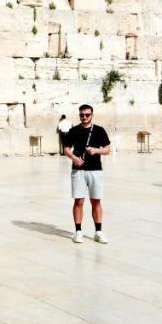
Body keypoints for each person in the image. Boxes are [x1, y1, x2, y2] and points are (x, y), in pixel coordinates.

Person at [63, 104, 112, 244]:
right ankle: (78, 231)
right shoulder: (73, 130)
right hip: (78, 170)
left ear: (92, 115)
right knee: (79, 200)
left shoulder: (99, 130)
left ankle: (98, 232)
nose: (84, 117)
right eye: (81, 115)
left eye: (87, 115)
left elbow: (107, 149)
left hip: (95, 170)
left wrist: (96, 150)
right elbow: (66, 148)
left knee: (96, 201)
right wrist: (73, 158)